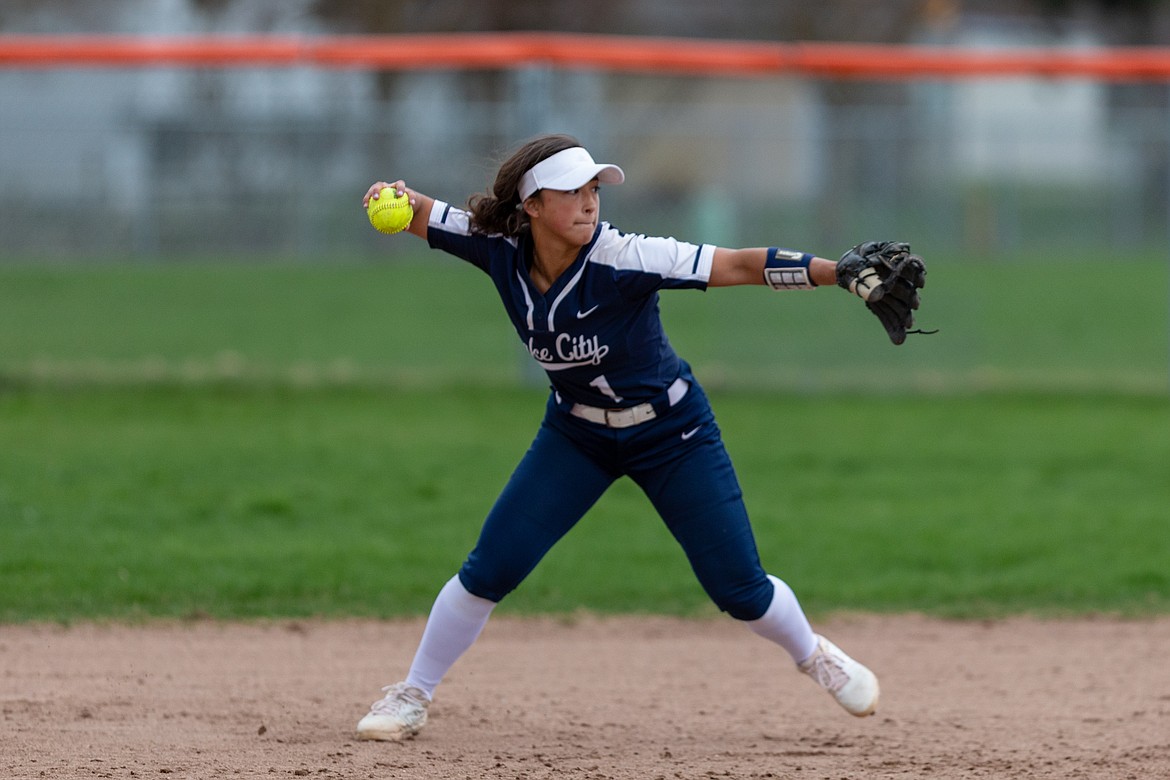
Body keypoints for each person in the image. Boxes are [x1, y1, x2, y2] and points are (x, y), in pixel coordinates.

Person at [355, 134, 880, 742]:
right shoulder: (496, 246)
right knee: (489, 568)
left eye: (594, 189)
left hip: (673, 433)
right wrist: (386, 194)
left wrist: (835, 273)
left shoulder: (627, 256)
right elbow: (421, 212)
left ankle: (813, 654)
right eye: (571, 192)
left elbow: (736, 263)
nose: (588, 203)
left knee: (740, 589)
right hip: (576, 434)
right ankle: (412, 694)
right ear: (530, 205)